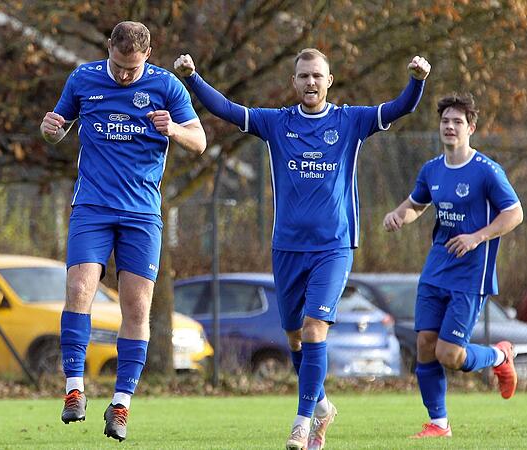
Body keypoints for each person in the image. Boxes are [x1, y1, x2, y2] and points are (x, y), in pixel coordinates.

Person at [174, 49, 430, 450]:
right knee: (295, 338)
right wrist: (192, 78)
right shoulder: (277, 123)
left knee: (314, 329)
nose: (311, 82)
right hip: (287, 247)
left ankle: (302, 421)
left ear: (329, 81)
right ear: (294, 82)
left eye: (317, 76)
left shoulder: (350, 121)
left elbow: (401, 107)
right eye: (304, 76)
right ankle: (323, 406)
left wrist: (416, 80)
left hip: (334, 246)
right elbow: (226, 109)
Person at [40, 21, 206, 442]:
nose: (124, 75)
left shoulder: (167, 86)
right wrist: (51, 131)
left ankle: (121, 403)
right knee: (79, 288)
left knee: (136, 305)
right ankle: (74, 389)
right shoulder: (83, 78)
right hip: (92, 207)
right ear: (108, 49)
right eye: (118, 65)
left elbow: (199, 141)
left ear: (147, 55)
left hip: (141, 214)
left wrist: (173, 129)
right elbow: (58, 127)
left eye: (132, 68)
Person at [382, 93, 523, 438]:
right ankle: (439, 423)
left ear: (471, 128)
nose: (450, 126)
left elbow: (515, 213)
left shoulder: (487, 171)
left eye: (457, 121)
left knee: (449, 354)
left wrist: (477, 237)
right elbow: (416, 205)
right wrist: (398, 215)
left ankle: (500, 357)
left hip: (471, 275)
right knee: (425, 345)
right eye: (445, 120)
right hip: (436, 270)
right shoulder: (432, 169)